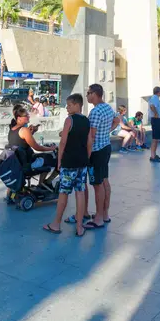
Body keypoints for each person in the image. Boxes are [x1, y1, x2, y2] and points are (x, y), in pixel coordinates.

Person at [43, 94, 92, 236]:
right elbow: (90, 142)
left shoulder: (69, 120)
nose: (67, 107)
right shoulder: (86, 121)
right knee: (80, 192)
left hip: (69, 162)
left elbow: (63, 142)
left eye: (69, 105)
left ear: (77, 105)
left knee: (63, 192)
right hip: (82, 163)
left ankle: (56, 224)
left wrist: (59, 160)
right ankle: (79, 227)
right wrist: (86, 158)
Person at [84, 84, 118, 229]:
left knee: (97, 185)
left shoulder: (95, 112)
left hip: (96, 151)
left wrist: (87, 155)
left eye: (88, 93)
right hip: (106, 147)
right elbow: (117, 120)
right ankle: (104, 214)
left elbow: (91, 136)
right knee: (104, 181)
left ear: (95, 94)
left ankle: (98, 219)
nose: (87, 96)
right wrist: (107, 132)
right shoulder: (108, 107)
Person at [6, 105, 57, 198]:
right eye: (26, 116)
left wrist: (31, 132)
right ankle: (42, 184)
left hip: (18, 163)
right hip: (27, 164)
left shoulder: (12, 130)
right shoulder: (24, 130)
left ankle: (42, 184)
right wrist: (51, 148)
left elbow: (22, 142)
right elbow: (37, 147)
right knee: (50, 159)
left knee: (44, 157)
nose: (28, 117)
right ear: (19, 118)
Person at [148, 86, 160, 163]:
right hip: (156, 120)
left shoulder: (155, 98)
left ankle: (154, 154)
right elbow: (152, 106)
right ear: (158, 92)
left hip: (158, 120)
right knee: (155, 138)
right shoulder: (154, 98)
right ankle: (152, 156)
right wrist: (156, 114)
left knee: (157, 138)